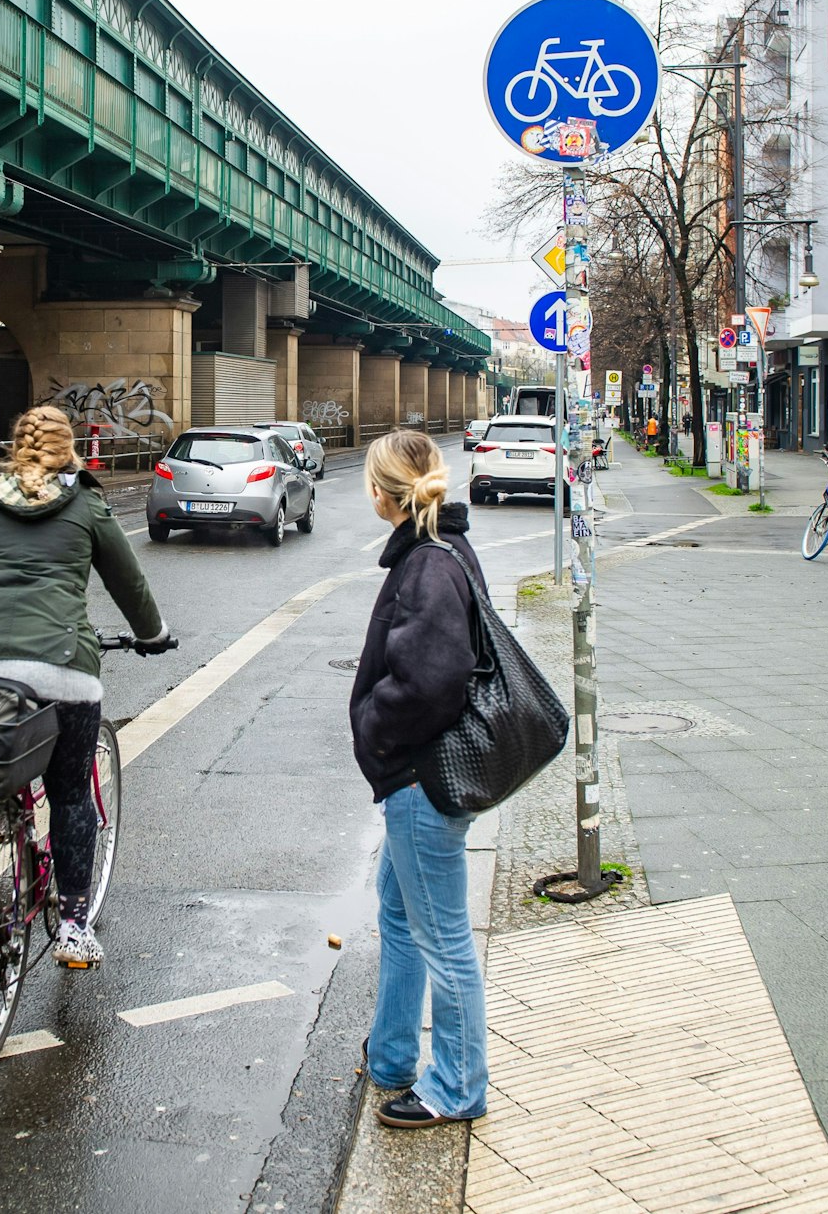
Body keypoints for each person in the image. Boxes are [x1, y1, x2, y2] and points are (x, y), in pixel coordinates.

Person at [0, 406, 172, 967]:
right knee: (70, 794)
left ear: (17, 448)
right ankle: (72, 926)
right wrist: (154, 634)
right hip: (59, 663)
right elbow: (128, 582)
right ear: (70, 450)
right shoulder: (88, 503)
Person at [349, 429, 490, 1130]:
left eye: (370, 484)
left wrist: (375, 726)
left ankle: (457, 1087)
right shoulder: (438, 547)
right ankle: (394, 1056)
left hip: (420, 779)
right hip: (418, 776)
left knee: (442, 938)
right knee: (400, 915)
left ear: (385, 492)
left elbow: (431, 680)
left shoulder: (428, 564)